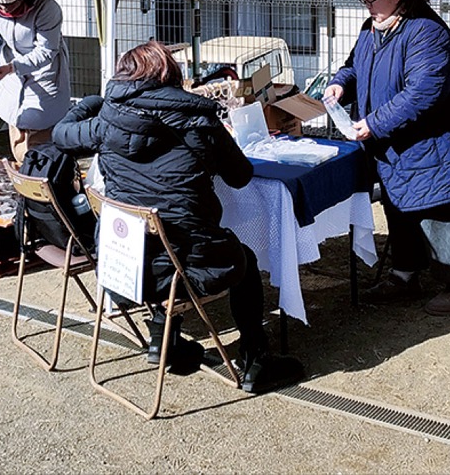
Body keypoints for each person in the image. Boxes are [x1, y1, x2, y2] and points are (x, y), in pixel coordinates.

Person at [51, 40, 303, 393]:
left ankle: (163, 339)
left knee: (166, 238)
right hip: (187, 263)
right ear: (172, 77)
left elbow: (61, 134)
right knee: (240, 257)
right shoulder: (197, 120)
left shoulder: (107, 122)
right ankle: (255, 359)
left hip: (126, 266)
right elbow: (240, 176)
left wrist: (94, 102)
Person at [324, 0, 450, 316]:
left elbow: (423, 92)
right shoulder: (372, 28)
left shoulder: (427, 32)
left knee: (444, 212)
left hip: (438, 145)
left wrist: (374, 123)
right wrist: (339, 86)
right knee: (402, 211)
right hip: (396, 145)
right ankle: (405, 274)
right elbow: (354, 66)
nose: (366, 5)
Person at [0, 0, 71, 162]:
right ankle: (24, 169)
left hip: (44, 70)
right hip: (10, 68)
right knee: (15, 119)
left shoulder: (48, 9)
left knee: (41, 130)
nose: (4, 9)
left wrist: (14, 67)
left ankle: (41, 175)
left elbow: (46, 51)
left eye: (10, 3)